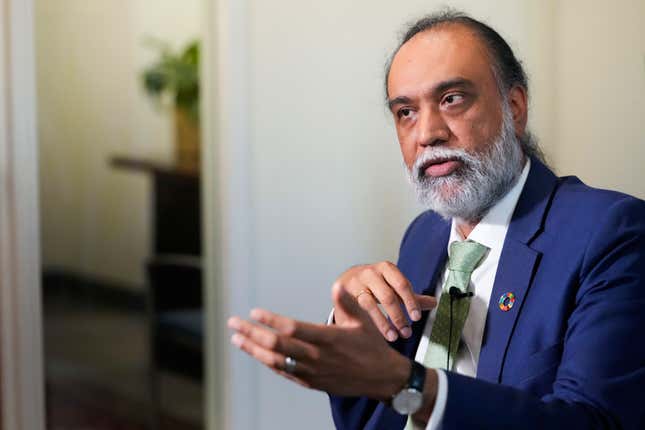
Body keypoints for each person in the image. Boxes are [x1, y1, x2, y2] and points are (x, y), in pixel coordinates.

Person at [227, 10, 645, 430]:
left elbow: (593, 423)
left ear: (514, 107)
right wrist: (356, 338)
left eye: (452, 99)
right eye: (405, 111)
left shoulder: (610, 233)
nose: (427, 133)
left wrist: (405, 382)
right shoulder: (423, 236)